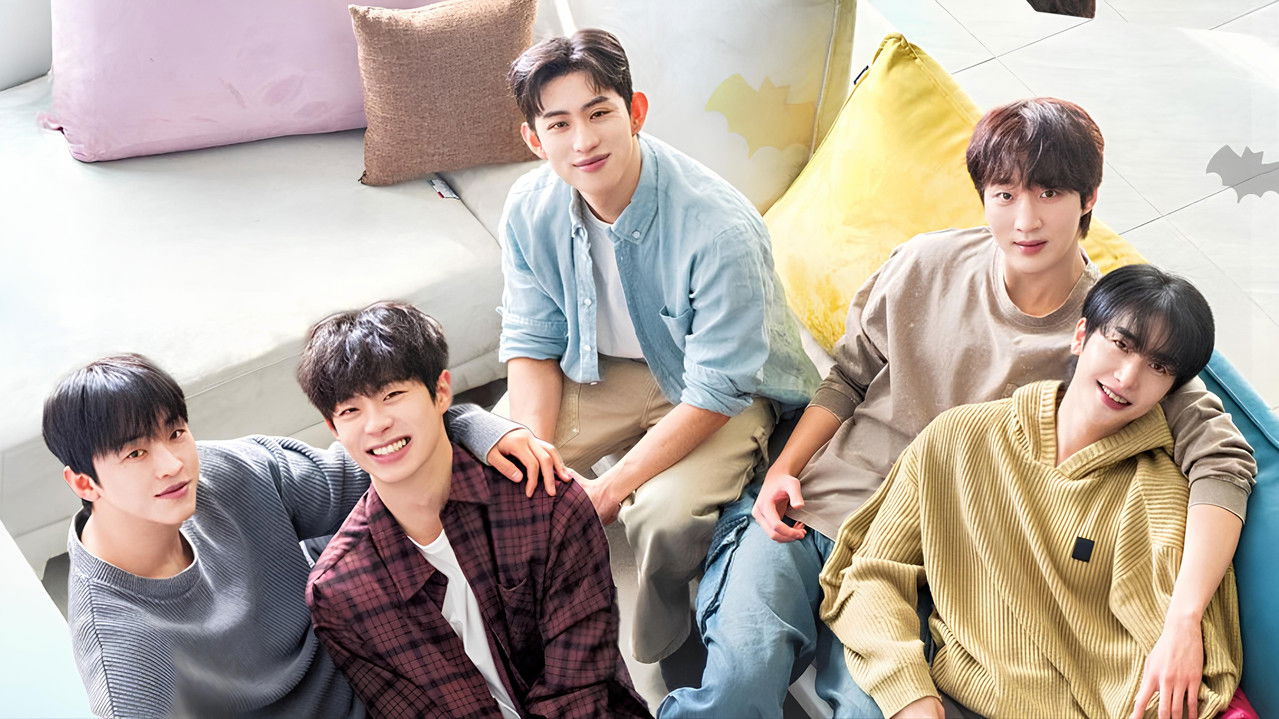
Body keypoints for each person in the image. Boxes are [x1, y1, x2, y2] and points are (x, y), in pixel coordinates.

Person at [661, 98, 1254, 717]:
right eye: (1005, 195)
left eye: (1050, 193)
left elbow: (1223, 461)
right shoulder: (925, 263)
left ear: (1089, 199)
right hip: (818, 512)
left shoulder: (1116, 333)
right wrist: (785, 469)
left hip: (930, 573)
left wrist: (1184, 618)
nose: (1026, 220)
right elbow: (849, 377)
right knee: (739, 683)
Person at [497, 28, 818, 663]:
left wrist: (610, 489)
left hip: (721, 392)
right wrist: (535, 448)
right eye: (559, 124)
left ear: (635, 111)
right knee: (501, 468)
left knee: (660, 518)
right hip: (604, 369)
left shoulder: (720, 227)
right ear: (534, 140)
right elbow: (532, 340)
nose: (583, 141)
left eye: (599, 113)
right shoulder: (528, 207)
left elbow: (718, 387)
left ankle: (664, 641)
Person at [820, 264, 1241, 718]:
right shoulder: (959, 437)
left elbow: (1182, 678)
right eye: (1121, 344)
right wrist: (911, 696)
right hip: (946, 695)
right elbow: (872, 574)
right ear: (1081, 336)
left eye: (1158, 367)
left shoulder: (1158, 500)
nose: (1127, 377)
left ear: (1170, 389)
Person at [41, 352, 553, 718]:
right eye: (135, 453)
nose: (172, 464)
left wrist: (479, 427)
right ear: (84, 483)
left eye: (175, 433)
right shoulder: (122, 653)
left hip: (388, 675)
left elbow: (375, 465)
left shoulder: (222, 473)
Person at [300, 301, 651, 719]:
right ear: (333, 428)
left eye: (392, 395)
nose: (376, 424)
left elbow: (580, 685)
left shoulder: (547, 503)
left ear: (441, 392)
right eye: (351, 410)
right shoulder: (340, 593)